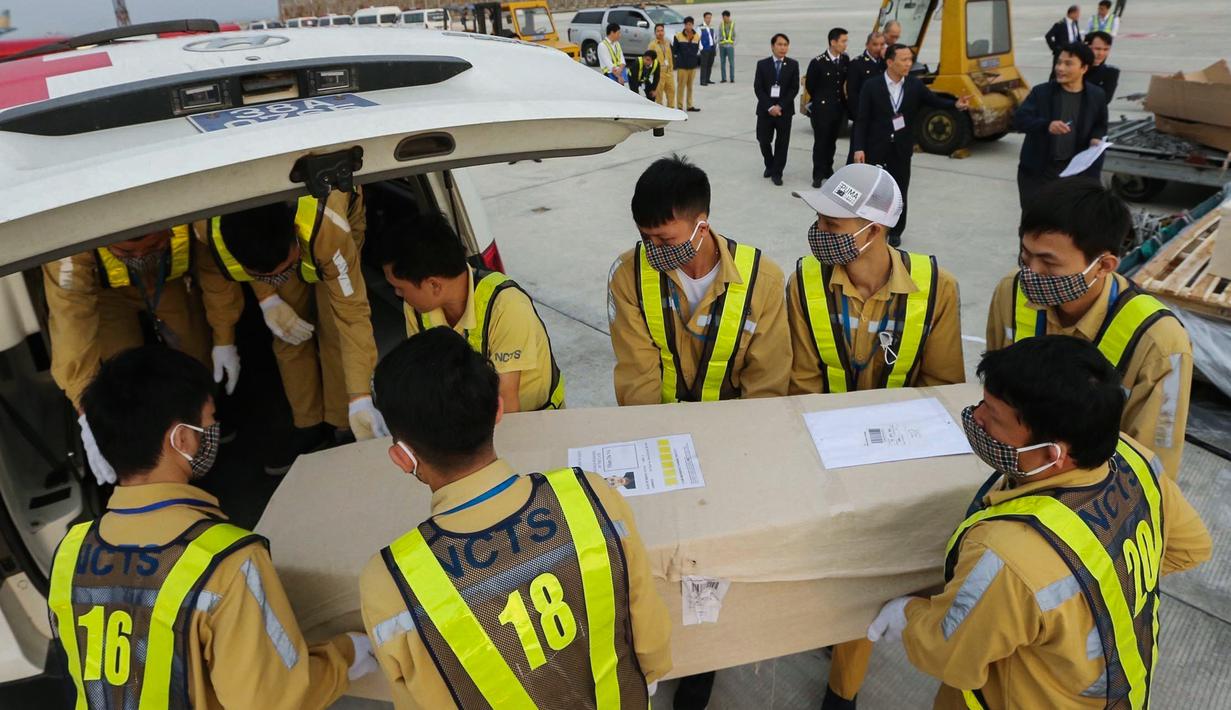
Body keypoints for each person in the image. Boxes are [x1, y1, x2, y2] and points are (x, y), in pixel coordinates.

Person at [866, 335, 1211, 709]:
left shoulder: (1008, 556)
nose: (976, 417)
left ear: (1051, 454)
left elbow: (950, 656)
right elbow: (1191, 547)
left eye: (993, 417)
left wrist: (909, 617)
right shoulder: (1134, 458)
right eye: (982, 402)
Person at [48, 345, 378, 710]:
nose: (212, 432)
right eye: (208, 421)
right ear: (182, 439)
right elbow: (271, 700)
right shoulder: (225, 563)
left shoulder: (70, 552)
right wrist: (346, 656)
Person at [359, 328, 672, 708]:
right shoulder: (591, 496)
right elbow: (650, 637)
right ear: (498, 409)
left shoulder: (389, 581)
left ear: (403, 457)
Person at [607, 155, 788, 708]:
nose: (654, 250)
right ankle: (665, 647)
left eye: (664, 237)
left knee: (717, 559)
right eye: (645, 237)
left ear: (702, 224)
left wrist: (733, 466)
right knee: (656, 555)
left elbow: (767, 383)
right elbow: (637, 376)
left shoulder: (763, 279)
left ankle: (706, 658)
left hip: (730, 443)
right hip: (659, 443)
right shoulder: (630, 274)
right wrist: (656, 462)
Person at [787, 164, 964, 710]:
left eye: (833, 225)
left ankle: (843, 693)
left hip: (899, 459)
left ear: (876, 230)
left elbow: (941, 388)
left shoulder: (936, 288)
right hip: (824, 450)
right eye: (818, 220)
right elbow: (801, 380)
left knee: (872, 584)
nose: (819, 233)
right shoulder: (806, 280)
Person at [986, 178, 1193, 480]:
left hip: (1098, 489)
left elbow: (1153, 463)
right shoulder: (1011, 292)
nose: (1031, 273)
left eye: (1048, 263)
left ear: (1104, 265)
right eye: (1025, 256)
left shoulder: (1159, 342)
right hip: (1017, 469)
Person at [197, 190, 385, 474]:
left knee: (334, 328)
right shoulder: (209, 231)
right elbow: (216, 278)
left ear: (294, 236)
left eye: (283, 270)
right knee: (287, 331)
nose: (278, 279)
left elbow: (352, 314)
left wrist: (361, 396)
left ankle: (343, 422)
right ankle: (307, 424)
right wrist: (266, 297)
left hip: (332, 240)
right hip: (275, 250)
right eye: (267, 276)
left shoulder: (330, 229)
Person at [43, 229, 213, 485]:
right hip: (107, 295)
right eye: (126, 251)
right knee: (121, 376)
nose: (140, 255)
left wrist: (226, 338)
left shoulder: (185, 217)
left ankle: (201, 425)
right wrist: (85, 411)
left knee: (194, 353)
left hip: (169, 280)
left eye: (152, 245)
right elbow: (71, 323)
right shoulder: (71, 251)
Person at [377, 211, 565, 412]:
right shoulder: (416, 309)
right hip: (472, 421)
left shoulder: (507, 306)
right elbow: (426, 378)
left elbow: (506, 401)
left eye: (400, 288)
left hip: (535, 421)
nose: (397, 293)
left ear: (434, 285)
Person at [852, 44, 970, 245]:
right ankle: (869, 226)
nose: (909, 63)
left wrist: (955, 105)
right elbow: (862, 119)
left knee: (900, 189)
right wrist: (858, 147)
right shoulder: (872, 86)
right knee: (874, 191)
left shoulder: (914, 86)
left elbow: (934, 101)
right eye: (904, 60)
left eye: (910, 59)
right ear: (890, 62)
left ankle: (896, 230)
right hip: (876, 146)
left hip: (901, 148)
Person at [1012, 42, 1107, 209]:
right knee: (1034, 223)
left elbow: (1100, 124)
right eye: (1058, 62)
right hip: (1040, 172)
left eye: (1068, 64)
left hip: (1074, 173)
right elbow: (1019, 120)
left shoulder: (1096, 96)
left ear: (1084, 68)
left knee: (1067, 224)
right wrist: (1046, 125)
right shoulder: (1041, 92)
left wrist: (1095, 138)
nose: (1060, 68)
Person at [805, 28, 850, 188]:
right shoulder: (818, 62)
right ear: (833, 42)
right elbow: (811, 85)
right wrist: (822, 100)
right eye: (843, 41)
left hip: (838, 109)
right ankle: (817, 174)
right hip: (822, 110)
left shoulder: (845, 60)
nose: (845, 45)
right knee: (821, 142)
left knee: (832, 142)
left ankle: (828, 169)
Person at [754, 33, 800, 186]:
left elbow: (793, 88)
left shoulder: (793, 64)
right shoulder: (762, 64)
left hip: (784, 111)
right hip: (765, 111)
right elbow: (758, 88)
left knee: (782, 143)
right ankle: (770, 163)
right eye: (780, 44)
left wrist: (780, 106)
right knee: (763, 140)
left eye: (785, 45)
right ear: (773, 46)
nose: (783, 48)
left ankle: (777, 172)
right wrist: (770, 106)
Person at [845, 31, 886, 164]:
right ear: (867, 45)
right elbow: (852, 92)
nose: (878, 48)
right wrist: (859, 115)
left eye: (881, 44)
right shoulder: (857, 64)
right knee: (857, 150)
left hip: (880, 117)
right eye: (875, 44)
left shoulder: (886, 63)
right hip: (863, 115)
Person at [673, 17, 702, 111]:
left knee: (690, 87)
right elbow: (675, 50)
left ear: (692, 25)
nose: (689, 26)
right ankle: (680, 106)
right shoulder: (678, 36)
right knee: (681, 87)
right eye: (687, 24)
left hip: (692, 66)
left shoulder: (697, 36)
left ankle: (689, 106)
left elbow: (696, 50)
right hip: (682, 66)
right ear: (684, 25)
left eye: (690, 24)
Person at [1085, 31, 1120, 104]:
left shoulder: (1110, 72)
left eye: (1106, 49)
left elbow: (1104, 101)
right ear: (1086, 47)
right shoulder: (1074, 68)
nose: (1101, 53)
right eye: (1097, 49)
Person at [651, 23, 677, 107]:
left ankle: (671, 109)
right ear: (655, 33)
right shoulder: (652, 45)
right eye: (658, 31)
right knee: (659, 94)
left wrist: (671, 69)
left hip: (668, 72)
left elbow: (670, 57)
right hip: (659, 73)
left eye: (662, 30)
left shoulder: (667, 43)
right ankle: (660, 111)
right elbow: (649, 60)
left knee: (671, 91)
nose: (660, 33)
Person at [699, 11, 718, 86]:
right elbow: (698, 38)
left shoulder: (711, 26)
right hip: (705, 49)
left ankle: (707, 79)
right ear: (704, 18)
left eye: (710, 18)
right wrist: (701, 48)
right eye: (707, 18)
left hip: (711, 48)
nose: (709, 19)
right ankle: (703, 81)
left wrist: (715, 46)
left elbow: (713, 37)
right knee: (704, 65)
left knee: (710, 64)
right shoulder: (700, 27)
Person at [718, 10, 736, 82]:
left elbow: (735, 35)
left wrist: (732, 42)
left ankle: (732, 78)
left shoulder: (732, 24)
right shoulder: (721, 24)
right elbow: (719, 34)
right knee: (722, 63)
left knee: (731, 63)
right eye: (723, 17)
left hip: (730, 46)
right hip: (722, 46)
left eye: (725, 17)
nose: (724, 19)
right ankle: (723, 78)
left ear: (728, 17)